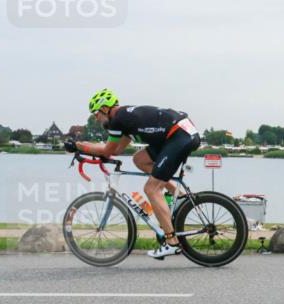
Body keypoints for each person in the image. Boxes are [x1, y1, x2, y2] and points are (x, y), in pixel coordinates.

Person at [65, 88, 200, 259]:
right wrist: (87, 148)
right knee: (139, 159)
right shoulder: (125, 119)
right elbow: (116, 150)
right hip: (179, 134)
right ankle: (176, 193)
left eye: (96, 113)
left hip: (178, 136)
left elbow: (107, 151)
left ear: (105, 109)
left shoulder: (118, 120)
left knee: (151, 189)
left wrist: (78, 146)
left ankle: (172, 243)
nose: (96, 118)